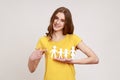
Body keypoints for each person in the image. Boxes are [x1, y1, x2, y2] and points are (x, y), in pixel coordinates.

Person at [28, 7, 99, 80]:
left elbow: (95, 59)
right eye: (56, 18)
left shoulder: (73, 39)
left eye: (62, 20)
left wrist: (71, 61)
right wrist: (31, 59)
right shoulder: (43, 40)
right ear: (52, 19)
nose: (57, 22)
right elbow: (32, 70)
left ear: (66, 23)